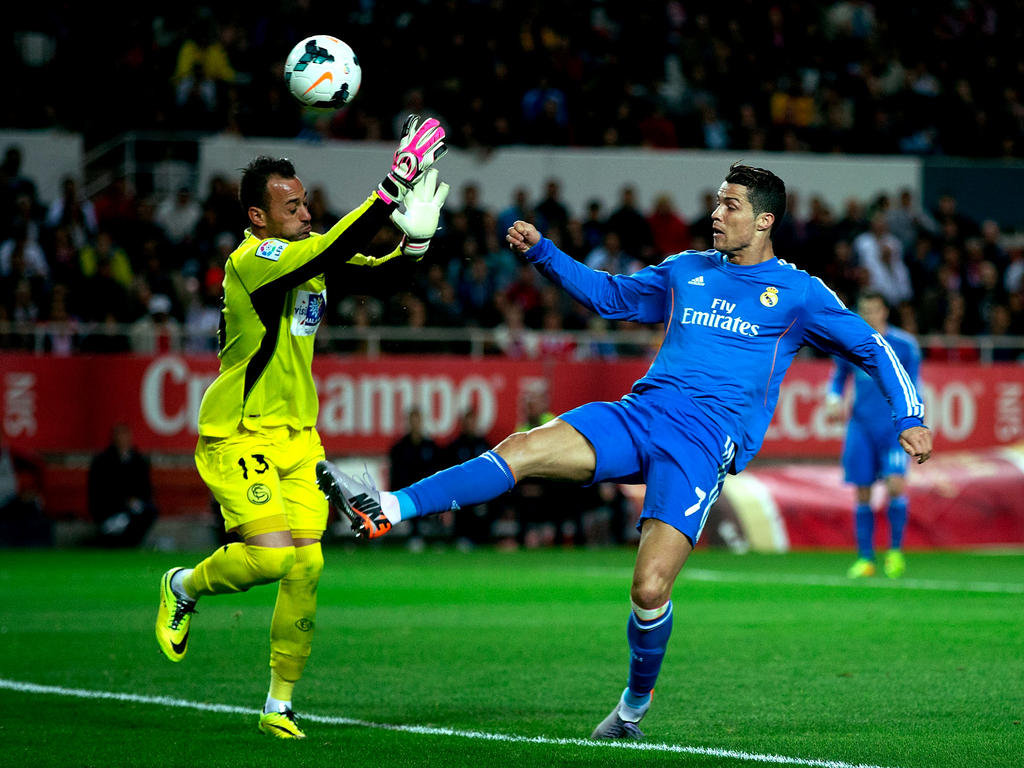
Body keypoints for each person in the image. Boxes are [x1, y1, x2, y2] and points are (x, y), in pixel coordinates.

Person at [316, 163, 933, 741]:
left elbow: (873, 348)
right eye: (717, 202)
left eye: (731, 204)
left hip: (701, 443)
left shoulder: (799, 293)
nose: (716, 213)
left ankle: (633, 708)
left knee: (647, 588)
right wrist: (543, 253)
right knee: (525, 447)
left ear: (764, 220)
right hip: (640, 413)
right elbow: (611, 298)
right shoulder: (687, 269)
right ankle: (388, 508)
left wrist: (910, 415)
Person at [154, 115, 449, 739]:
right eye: (290, 205)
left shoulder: (308, 263)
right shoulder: (253, 261)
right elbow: (331, 248)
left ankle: (278, 704)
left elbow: (381, 274)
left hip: (297, 440)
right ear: (259, 218)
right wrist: (391, 187)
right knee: (268, 561)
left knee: (307, 567)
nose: (305, 211)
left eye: (306, 201)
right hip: (239, 434)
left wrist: (415, 243)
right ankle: (182, 584)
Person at [825, 292, 921, 579]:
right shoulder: (851, 341)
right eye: (864, 310)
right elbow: (840, 376)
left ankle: (894, 553)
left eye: (874, 310)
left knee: (895, 486)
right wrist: (832, 397)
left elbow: (914, 385)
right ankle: (866, 558)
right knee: (862, 490)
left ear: (885, 312)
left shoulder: (904, 345)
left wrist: (913, 422)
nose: (869, 315)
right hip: (861, 426)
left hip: (892, 428)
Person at [88, 423, 158, 547]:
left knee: (149, 512)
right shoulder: (102, 461)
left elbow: (146, 489)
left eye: (125, 435)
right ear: (114, 438)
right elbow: (100, 491)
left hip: (135, 509)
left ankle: (128, 545)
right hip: (110, 507)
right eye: (120, 435)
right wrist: (124, 501)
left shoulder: (139, 461)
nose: (123, 439)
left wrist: (136, 501)